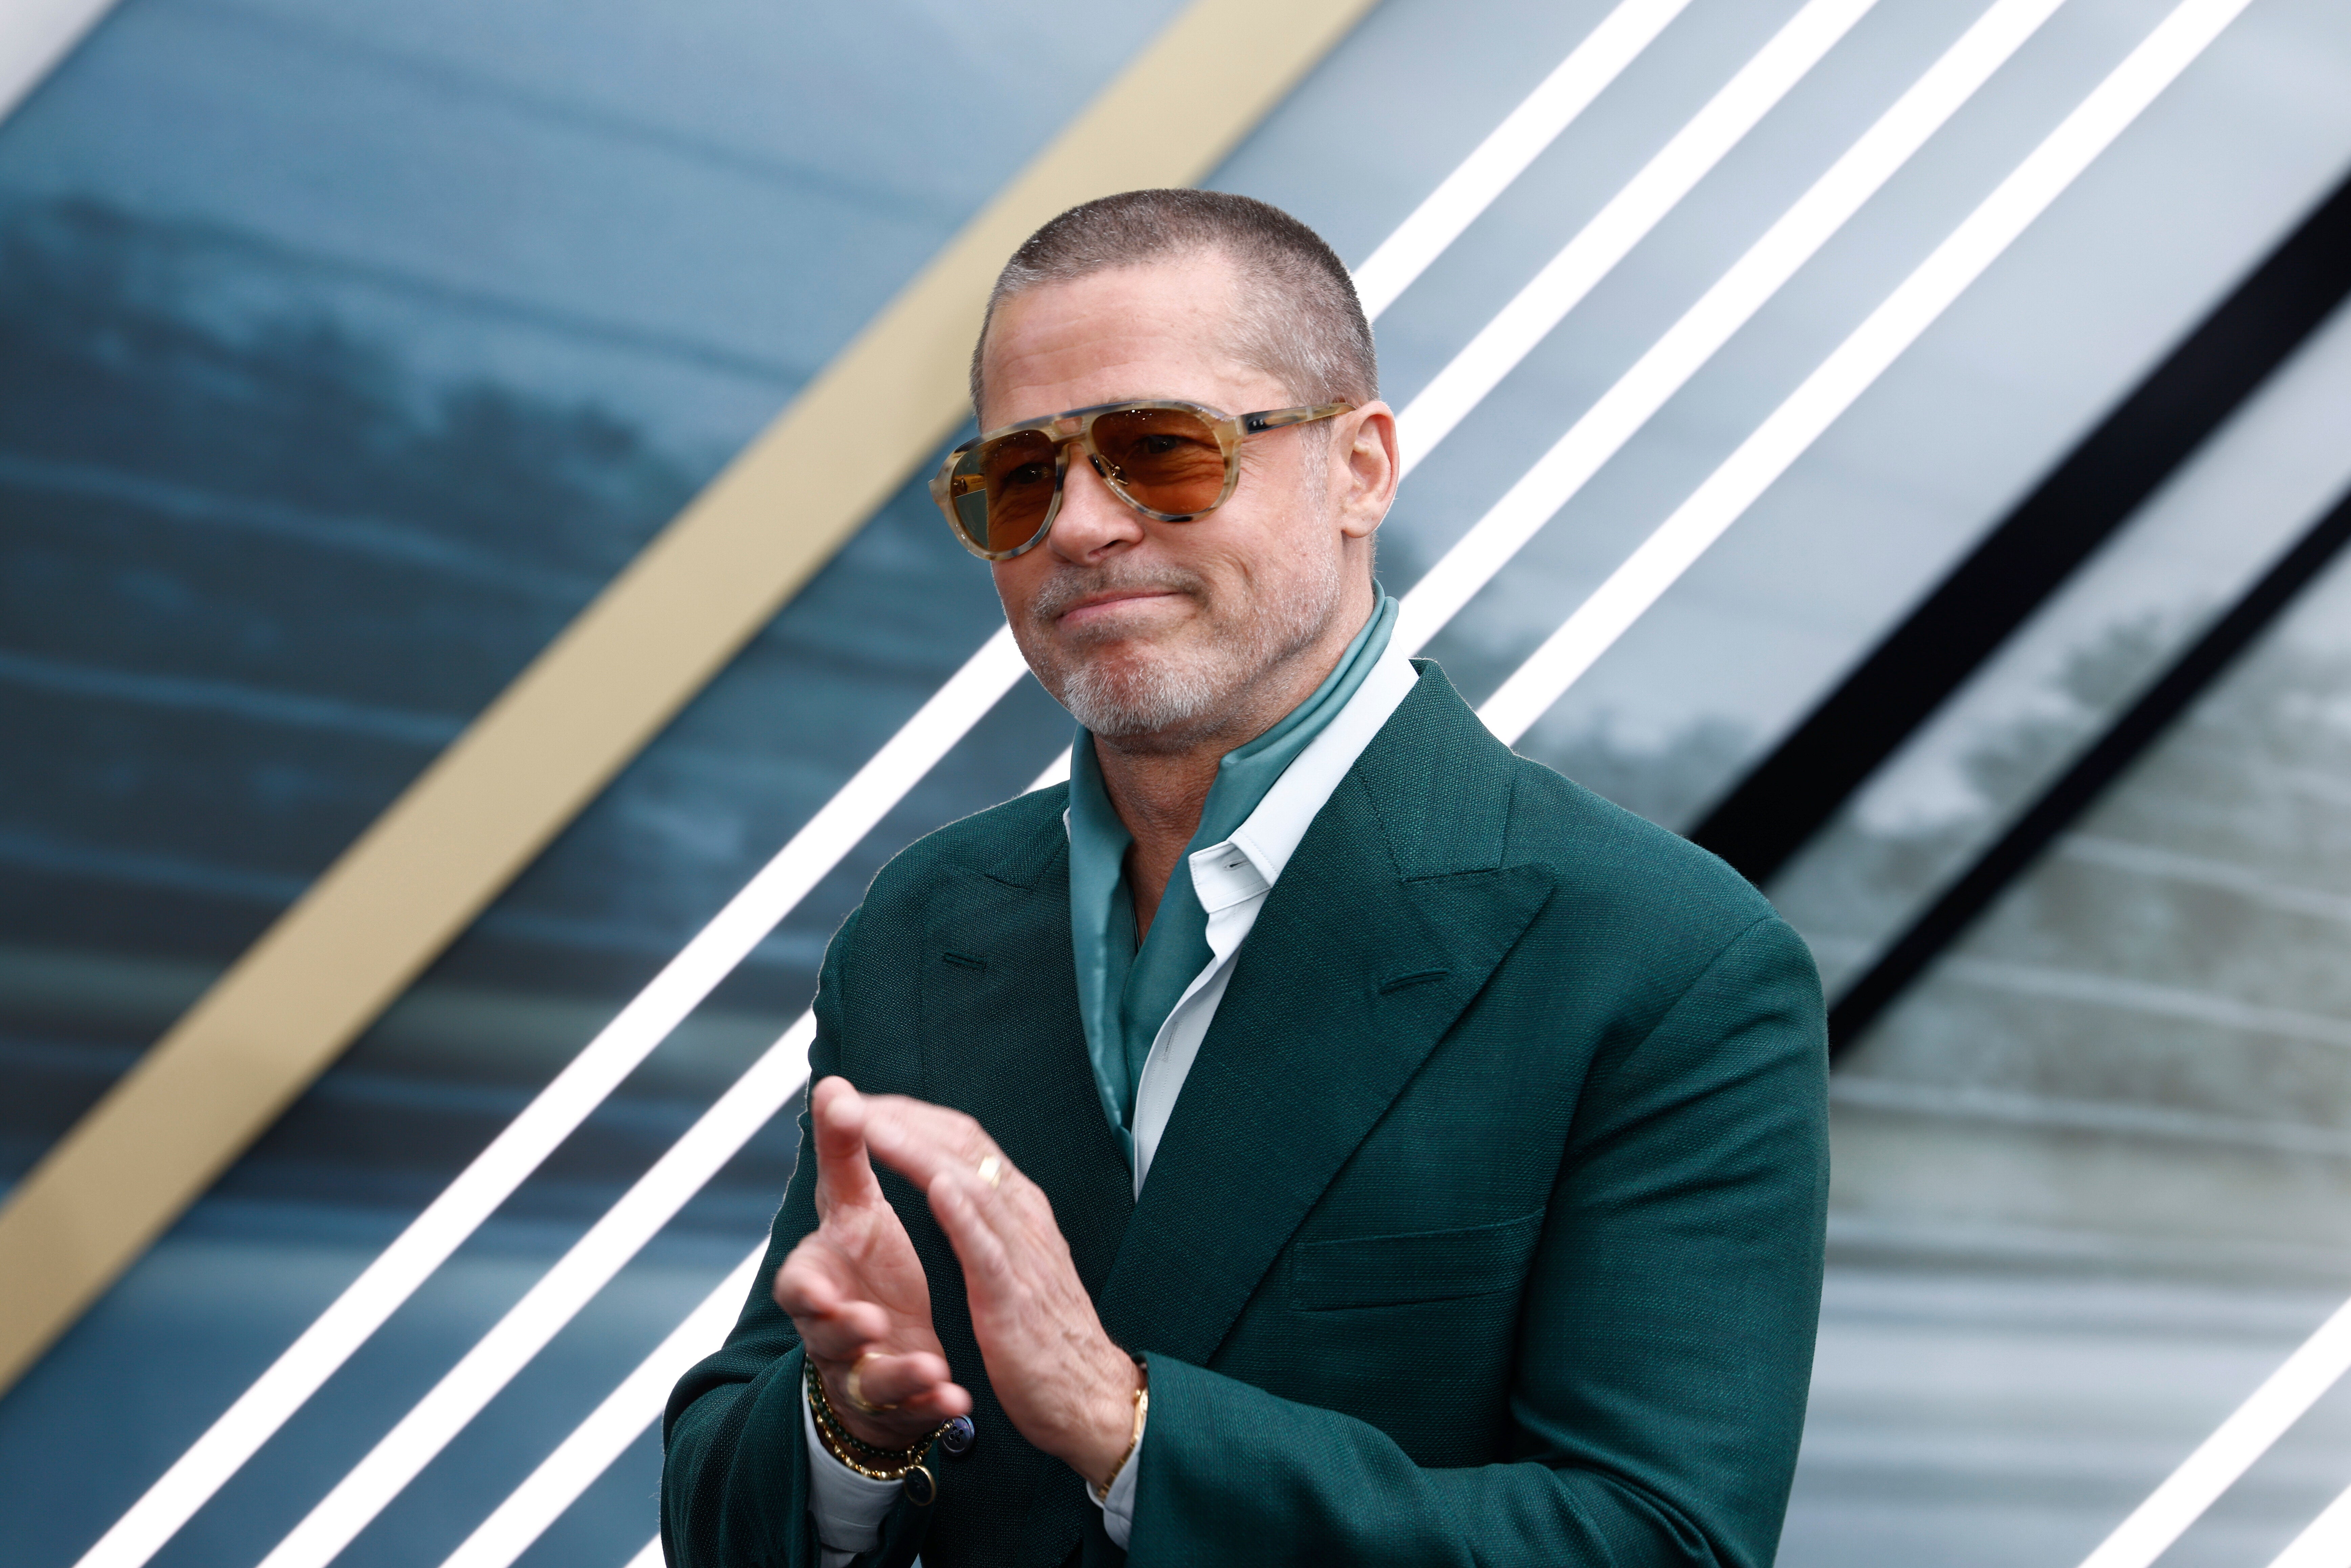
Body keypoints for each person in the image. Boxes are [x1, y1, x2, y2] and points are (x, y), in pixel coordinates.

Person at [662, 189, 1828, 1568]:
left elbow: (1660, 1544)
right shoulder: (928, 921)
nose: (1078, 527)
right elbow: (723, 1508)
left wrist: (1128, 1430)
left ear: (1361, 469)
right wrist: (851, 1425)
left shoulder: (1663, 960)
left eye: (1161, 450)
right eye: (1019, 478)